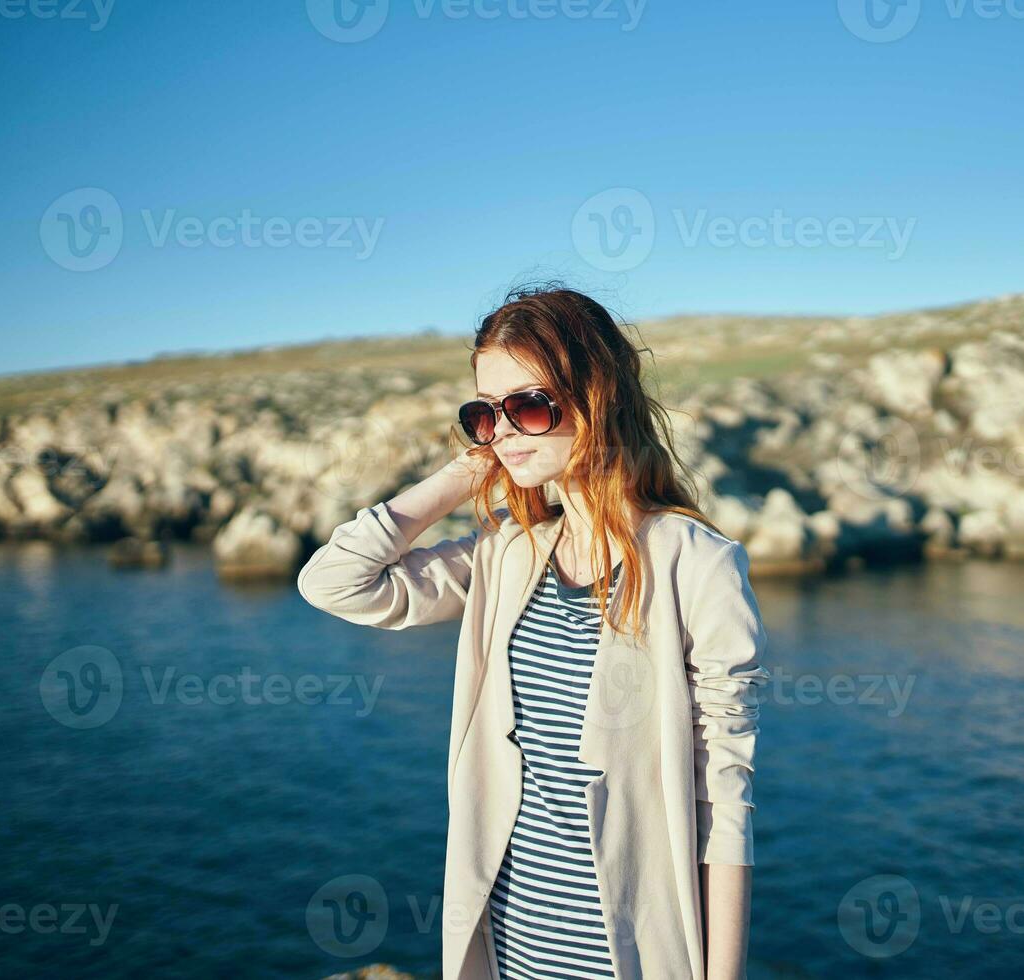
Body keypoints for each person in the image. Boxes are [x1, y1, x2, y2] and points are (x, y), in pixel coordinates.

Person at [297, 285, 770, 980]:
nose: (504, 429)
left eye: (527, 405)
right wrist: (473, 467)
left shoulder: (697, 564)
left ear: (598, 397)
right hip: (509, 951)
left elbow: (724, 802)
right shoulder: (506, 554)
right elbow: (335, 581)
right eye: (484, 413)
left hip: (628, 958)